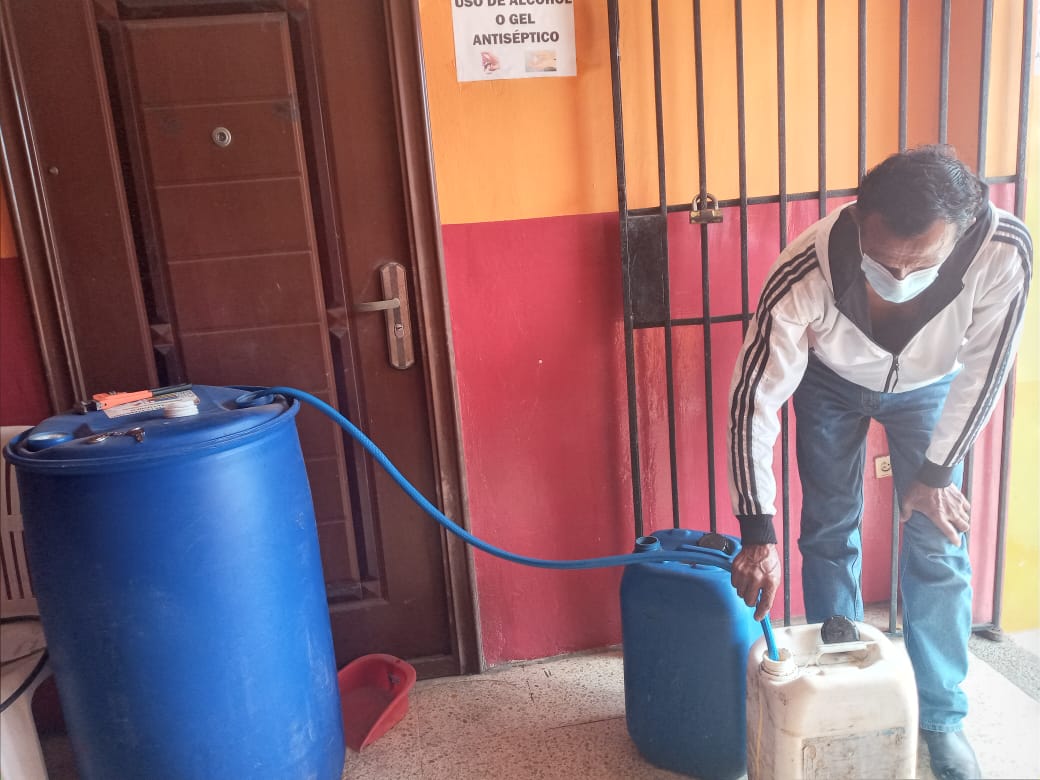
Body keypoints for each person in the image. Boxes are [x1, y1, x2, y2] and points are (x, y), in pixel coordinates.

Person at [725, 146, 1032, 780]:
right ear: (859, 218)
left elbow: (987, 369)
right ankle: (845, 694)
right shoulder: (804, 268)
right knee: (828, 530)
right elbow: (755, 398)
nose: (897, 275)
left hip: (932, 387)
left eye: (918, 263)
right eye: (882, 260)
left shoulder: (1002, 250)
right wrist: (757, 529)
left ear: (961, 232)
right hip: (829, 381)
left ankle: (941, 717)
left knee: (938, 540)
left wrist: (937, 474)